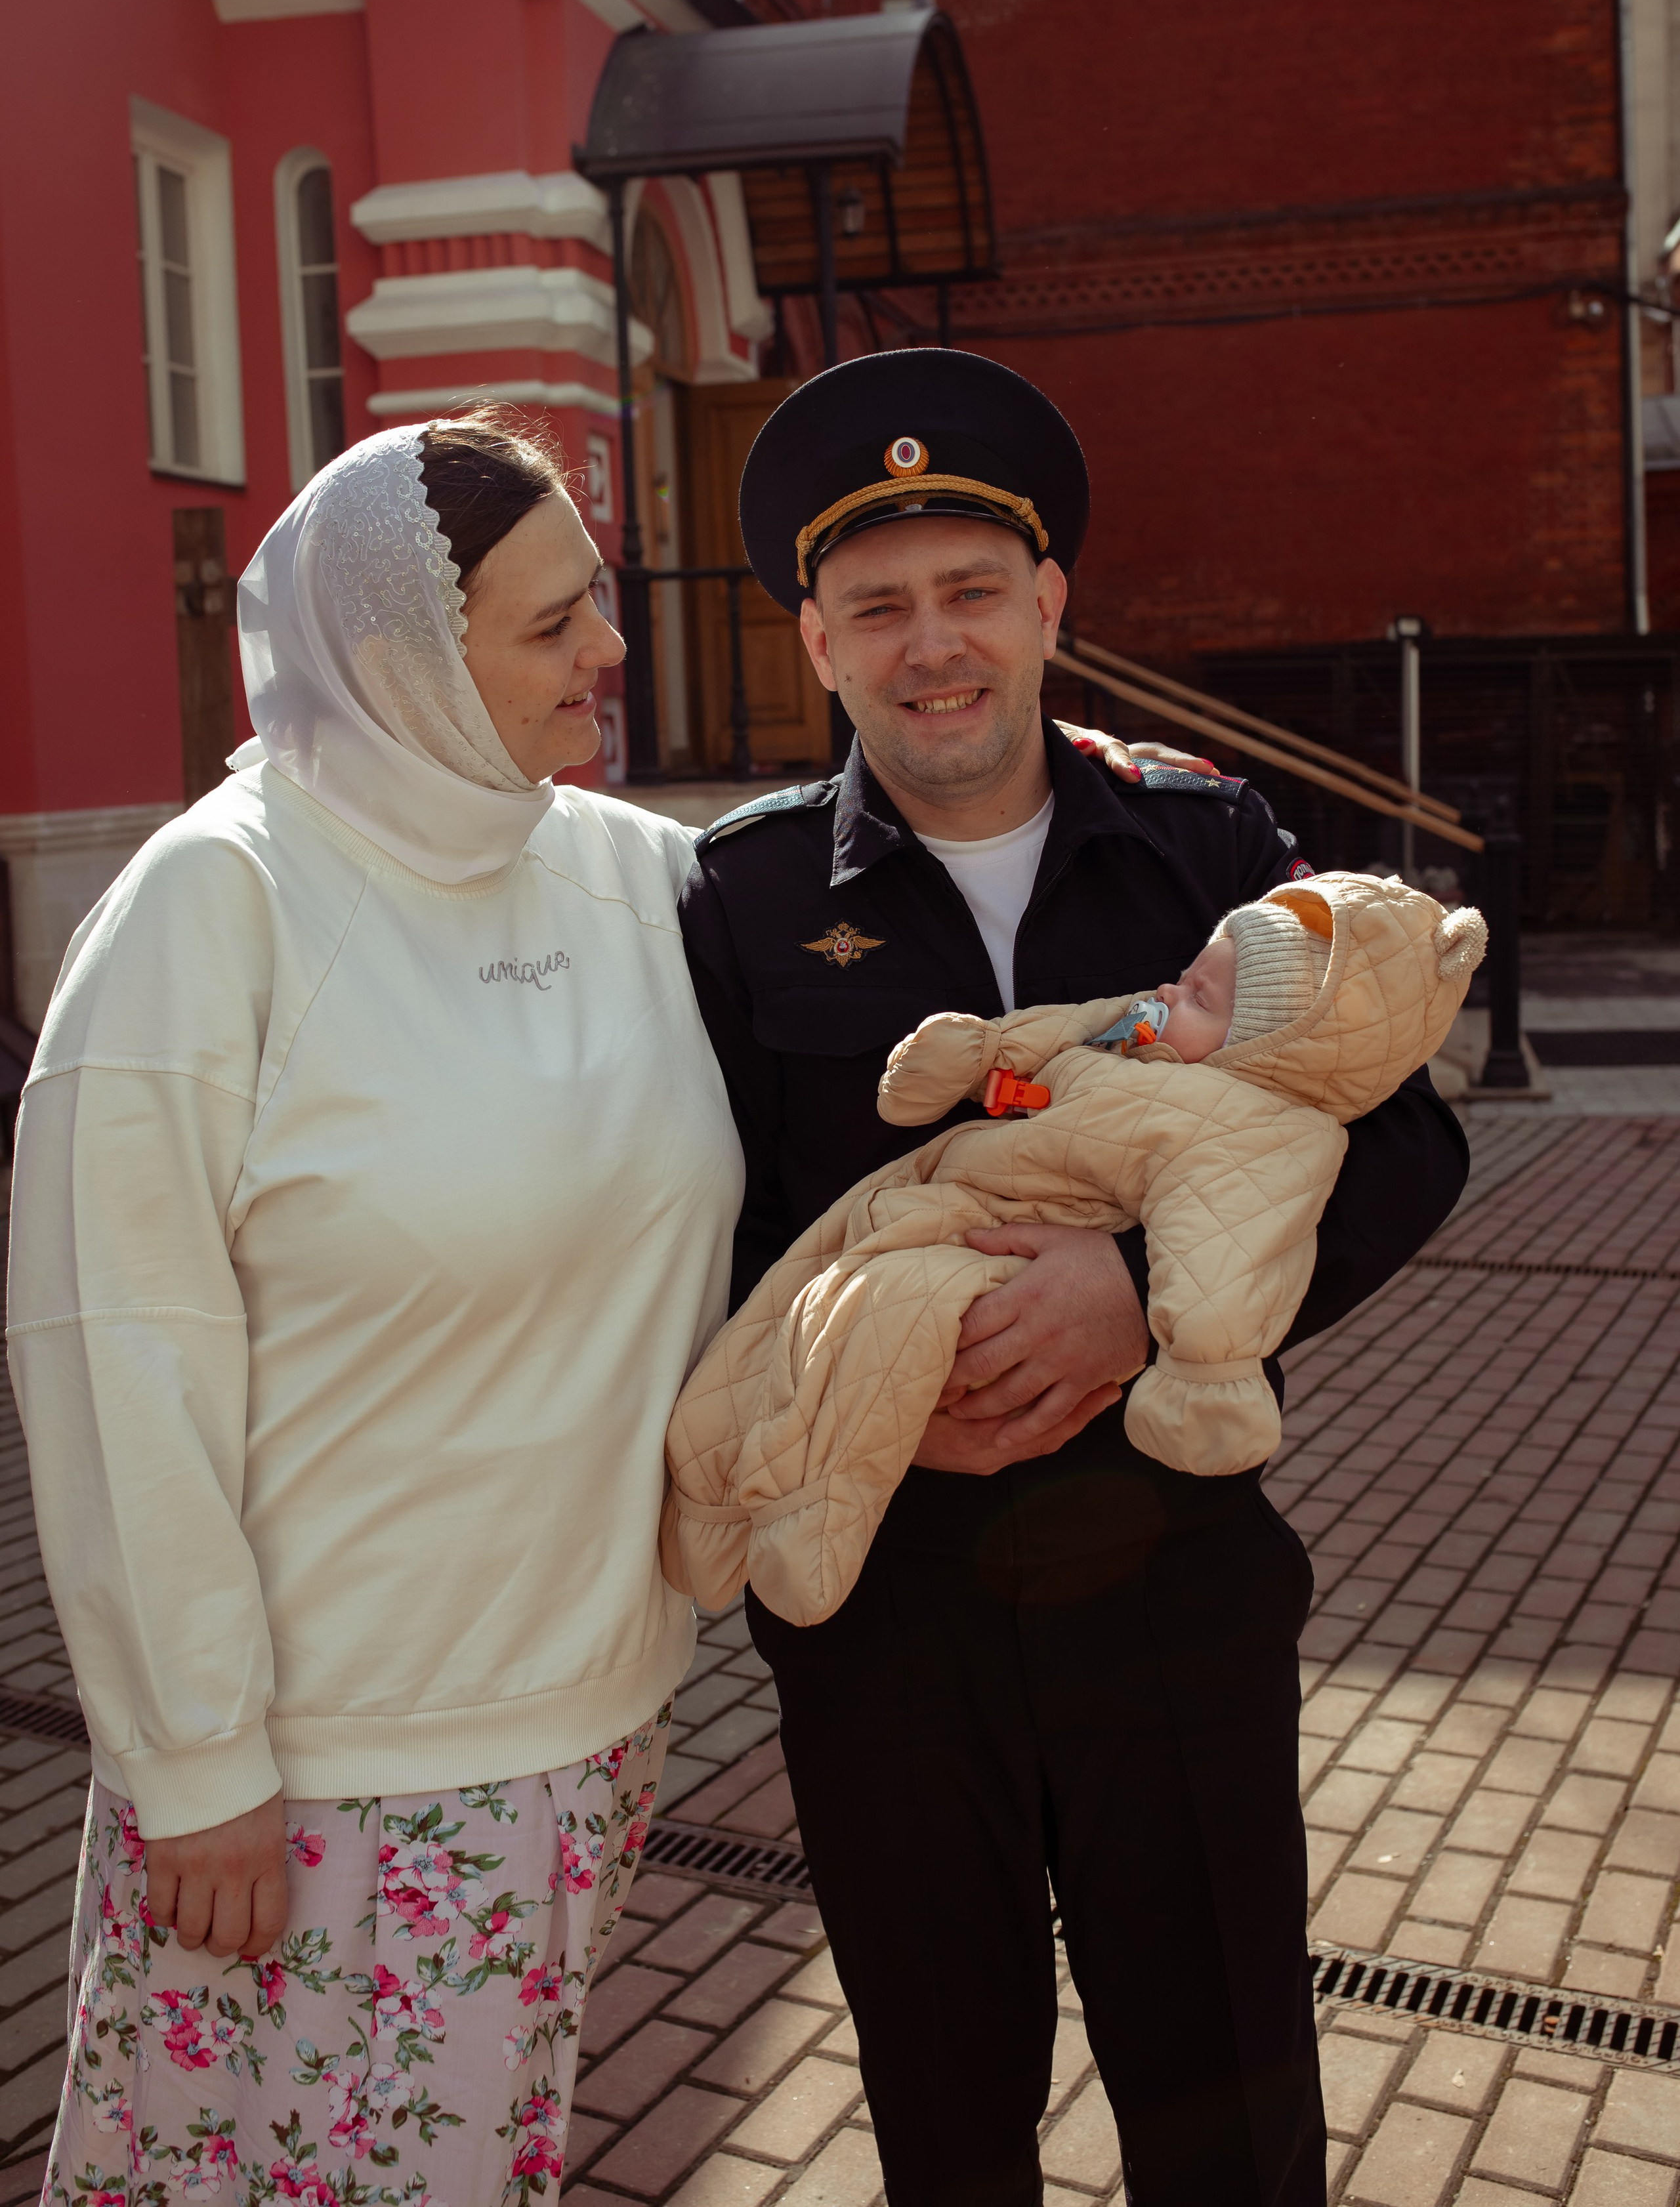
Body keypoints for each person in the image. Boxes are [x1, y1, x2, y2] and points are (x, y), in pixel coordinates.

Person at [677, 347, 1471, 2207]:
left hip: (1167, 1589)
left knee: (1231, 2111)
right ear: (816, 640)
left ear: (1049, 605)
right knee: (948, 2122)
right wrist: (816, 1386)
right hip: (885, 1617)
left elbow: (1404, 1137)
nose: (931, 645)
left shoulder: (1207, 841)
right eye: (878, 607)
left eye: (970, 595)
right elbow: (709, 1224)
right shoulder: (742, 895)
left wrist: (1143, 1295)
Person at [5, 415, 744, 2206]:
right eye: (555, 623)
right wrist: (193, 1761)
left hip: (591, 1716)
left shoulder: (632, 874)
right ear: (407, 653)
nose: (611, 652)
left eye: (604, 605)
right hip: (316, 1775)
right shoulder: (218, 904)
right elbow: (120, 1359)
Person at [662, 869, 1486, 1626]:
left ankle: (811, 1517)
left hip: (1002, 1288)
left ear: (1268, 1047)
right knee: (778, 1316)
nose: (1169, 991)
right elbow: (1061, 1034)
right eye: (1188, 976)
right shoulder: (757, 874)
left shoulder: (1254, 1129)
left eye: (1199, 994)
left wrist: (1196, 1361)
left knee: (879, 1316)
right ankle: (703, 1514)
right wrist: (980, 1054)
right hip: (924, 1205)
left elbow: (1228, 1250)